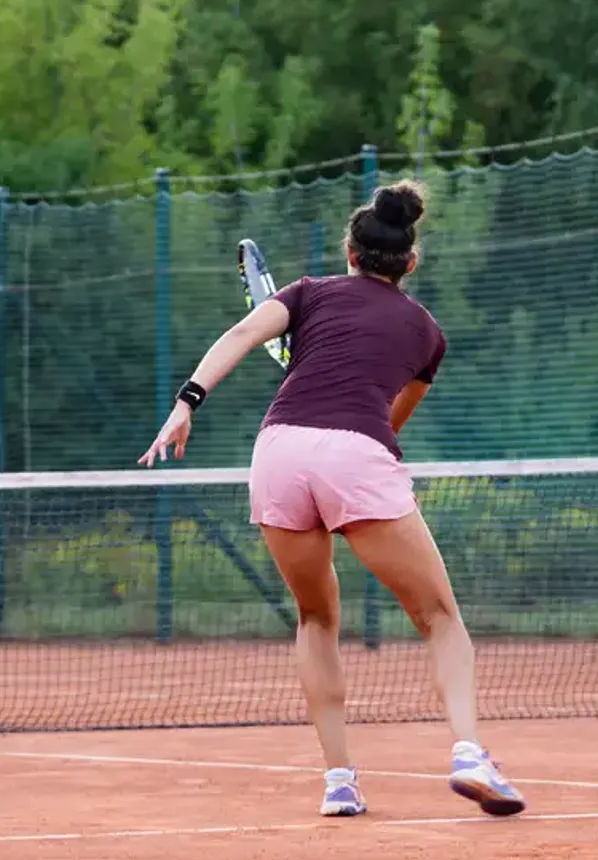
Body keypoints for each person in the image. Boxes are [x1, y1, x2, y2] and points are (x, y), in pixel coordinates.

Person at [138, 181, 523, 819]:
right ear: (410, 262)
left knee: (316, 618)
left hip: (278, 453)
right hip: (355, 455)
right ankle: (468, 753)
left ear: (350, 252)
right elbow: (390, 420)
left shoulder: (308, 293)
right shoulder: (428, 333)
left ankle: (339, 782)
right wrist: (352, 472)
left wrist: (186, 404)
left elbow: (240, 334)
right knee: (439, 617)